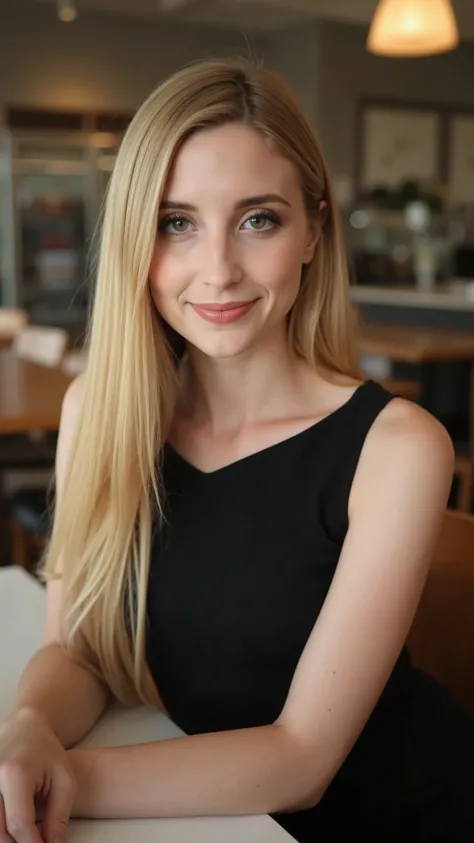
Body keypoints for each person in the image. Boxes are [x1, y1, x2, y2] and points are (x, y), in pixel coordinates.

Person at [0, 57, 473, 843]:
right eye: (175, 222)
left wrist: (64, 777)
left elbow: (301, 758)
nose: (217, 271)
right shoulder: (102, 413)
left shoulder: (396, 449)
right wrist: (27, 730)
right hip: (213, 813)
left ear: (315, 231)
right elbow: (78, 650)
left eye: (259, 219)